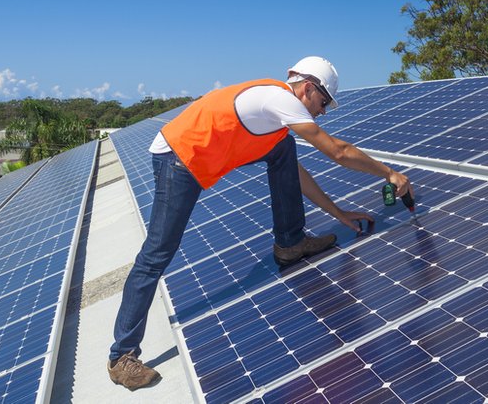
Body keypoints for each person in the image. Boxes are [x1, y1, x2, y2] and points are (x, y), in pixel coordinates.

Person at [107, 56, 413, 390]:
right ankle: (121, 355)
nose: (323, 111)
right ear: (308, 88)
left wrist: (338, 213)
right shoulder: (279, 99)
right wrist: (389, 173)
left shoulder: (277, 121)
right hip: (179, 158)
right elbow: (337, 151)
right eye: (323, 102)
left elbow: (297, 175)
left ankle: (290, 243)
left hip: (202, 155)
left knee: (284, 150)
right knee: (158, 252)